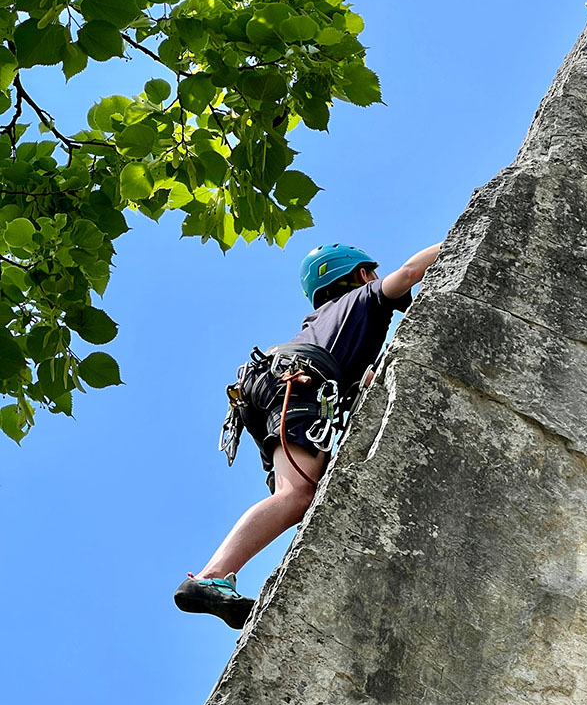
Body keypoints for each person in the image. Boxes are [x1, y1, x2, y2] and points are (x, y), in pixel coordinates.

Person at [174, 241, 441, 629]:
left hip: (269, 388)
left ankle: (222, 577)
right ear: (359, 275)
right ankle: (212, 577)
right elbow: (412, 271)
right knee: (296, 495)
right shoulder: (364, 299)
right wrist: (456, 239)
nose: (377, 279)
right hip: (299, 383)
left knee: (299, 495)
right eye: (371, 273)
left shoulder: (323, 323)